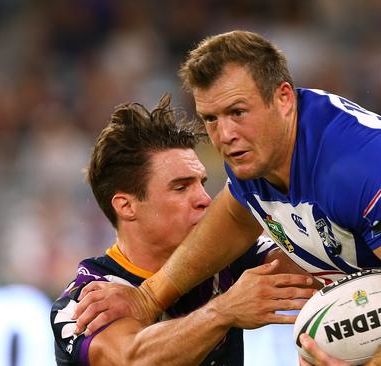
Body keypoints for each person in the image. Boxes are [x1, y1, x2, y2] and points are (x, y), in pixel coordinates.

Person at [74, 31, 381, 365]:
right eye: (210, 119)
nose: (223, 134)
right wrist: (149, 295)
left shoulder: (350, 165)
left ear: (284, 99)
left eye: (237, 112)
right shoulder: (260, 152)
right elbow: (234, 213)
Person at [50, 94, 317, 365]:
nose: (204, 199)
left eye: (201, 183)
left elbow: (322, 274)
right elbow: (133, 359)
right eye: (181, 187)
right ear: (126, 206)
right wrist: (224, 311)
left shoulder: (229, 257)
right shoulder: (86, 300)